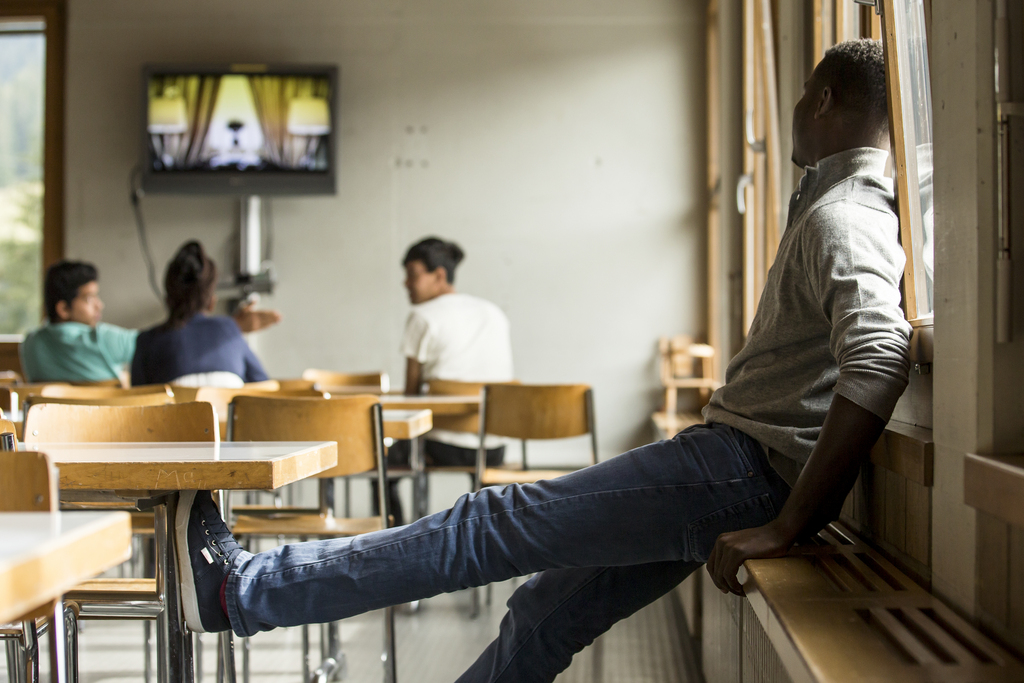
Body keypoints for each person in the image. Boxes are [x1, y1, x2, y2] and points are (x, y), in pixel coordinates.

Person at [175, 40, 911, 683]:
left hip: (742, 470)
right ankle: (245, 592)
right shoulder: (837, 209)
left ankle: (241, 591)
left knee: (485, 521)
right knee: (545, 611)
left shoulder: (843, 215)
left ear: (823, 99)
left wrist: (789, 523)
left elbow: (880, 355)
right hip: (738, 471)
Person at [381, 237, 515, 523]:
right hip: (493, 446)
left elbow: (412, 396)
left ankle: (394, 540)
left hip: (441, 448)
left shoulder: (422, 316)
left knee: (380, 467)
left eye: (413, 275)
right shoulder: (494, 313)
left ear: (439, 275)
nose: (406, 283)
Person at [20, 259, 280, 384]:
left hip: (51, 450)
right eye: (90, 299)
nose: (100, 304)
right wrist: (231, 328)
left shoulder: (30, 345)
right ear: (63, 308)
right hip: (105, 439)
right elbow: (167, 342)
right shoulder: (102, 338)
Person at [131, 241, 270, 387]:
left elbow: (136, 404)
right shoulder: (230, 329)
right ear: (212, 302)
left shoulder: (146, 343)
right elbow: (265, 390)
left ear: (167, 301)